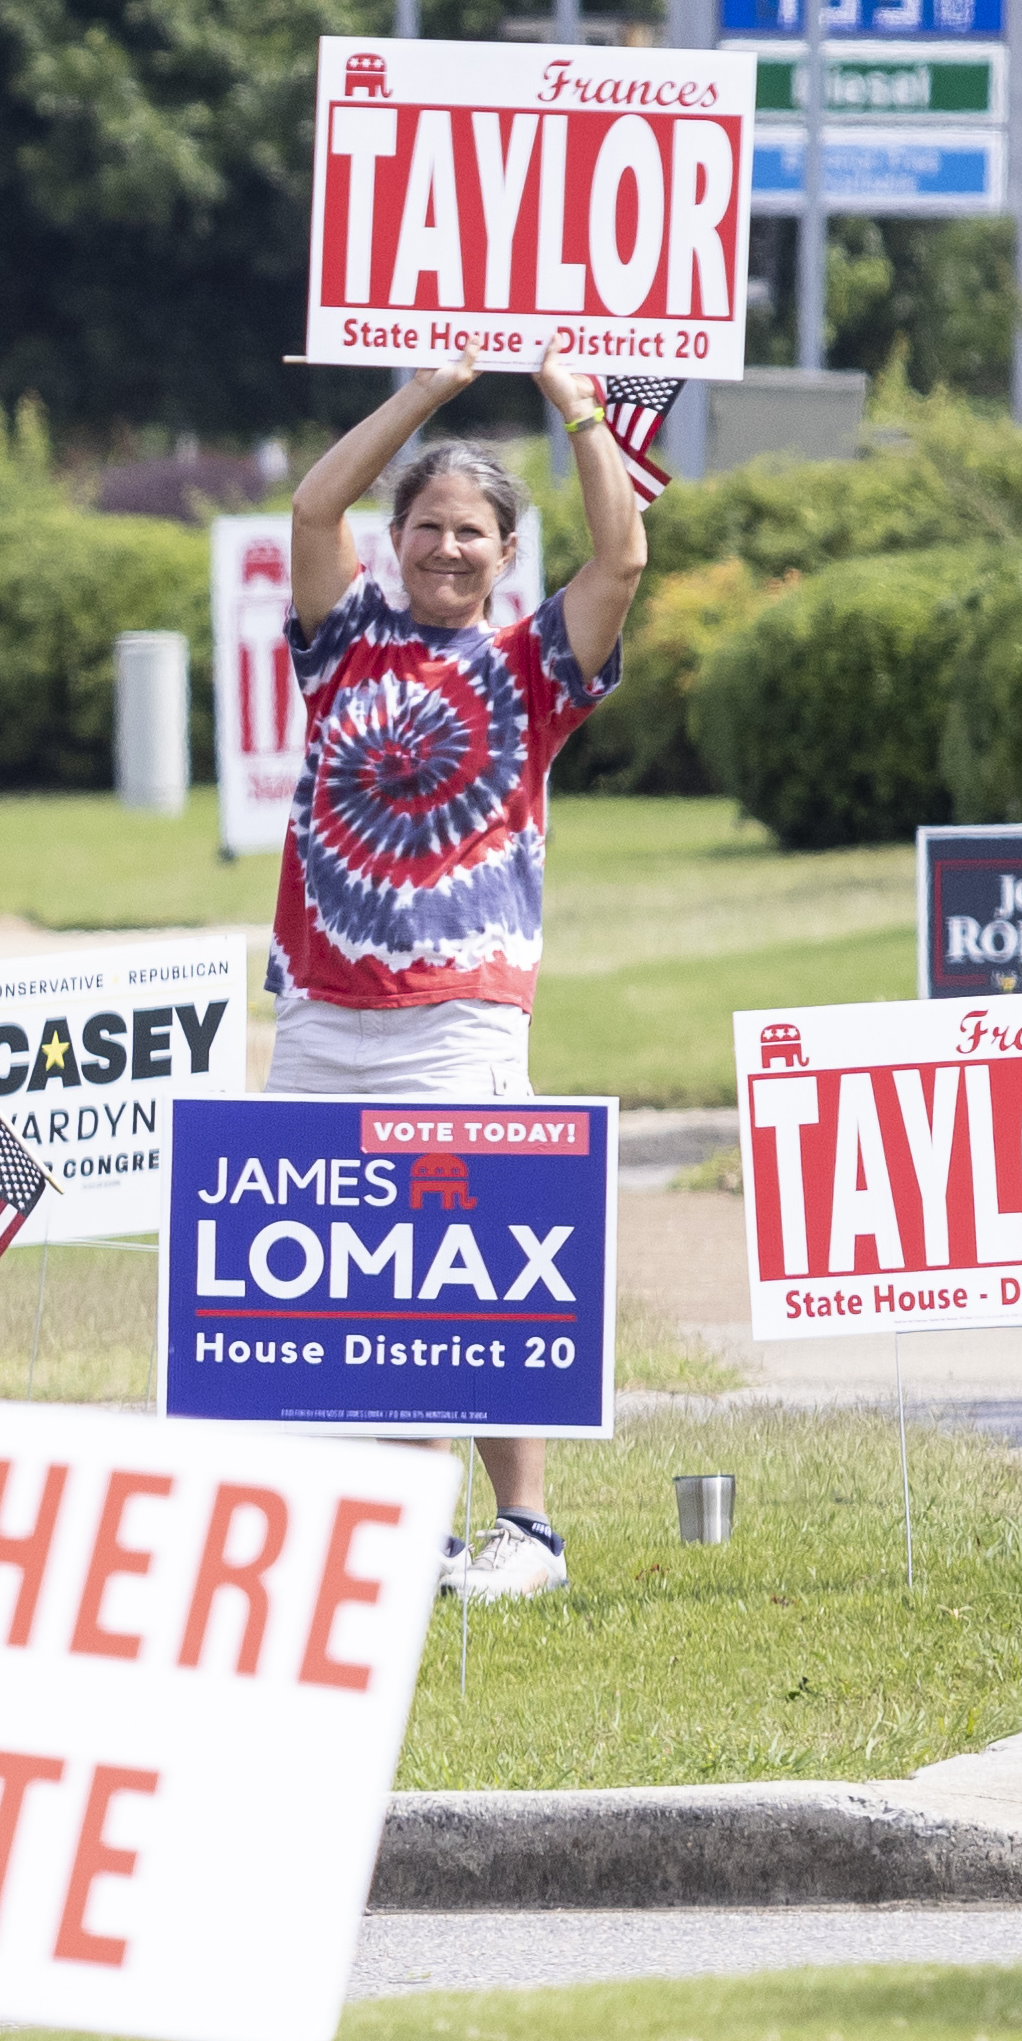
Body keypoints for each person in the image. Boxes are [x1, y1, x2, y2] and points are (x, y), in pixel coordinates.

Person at [268, 347, 645, 1601]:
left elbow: (625, 556)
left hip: (460, 1014)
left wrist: (569, 397)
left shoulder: (535, 667)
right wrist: (427, 389)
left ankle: (524, 1528)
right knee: (360, 1267)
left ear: (505, 551)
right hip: (326, 1010)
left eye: (471, 530)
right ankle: (411, 1515)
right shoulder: (340, 644)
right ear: (398, 540)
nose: (445, 547)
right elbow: (313, 508)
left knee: (472, 1254)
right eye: (426, 525)